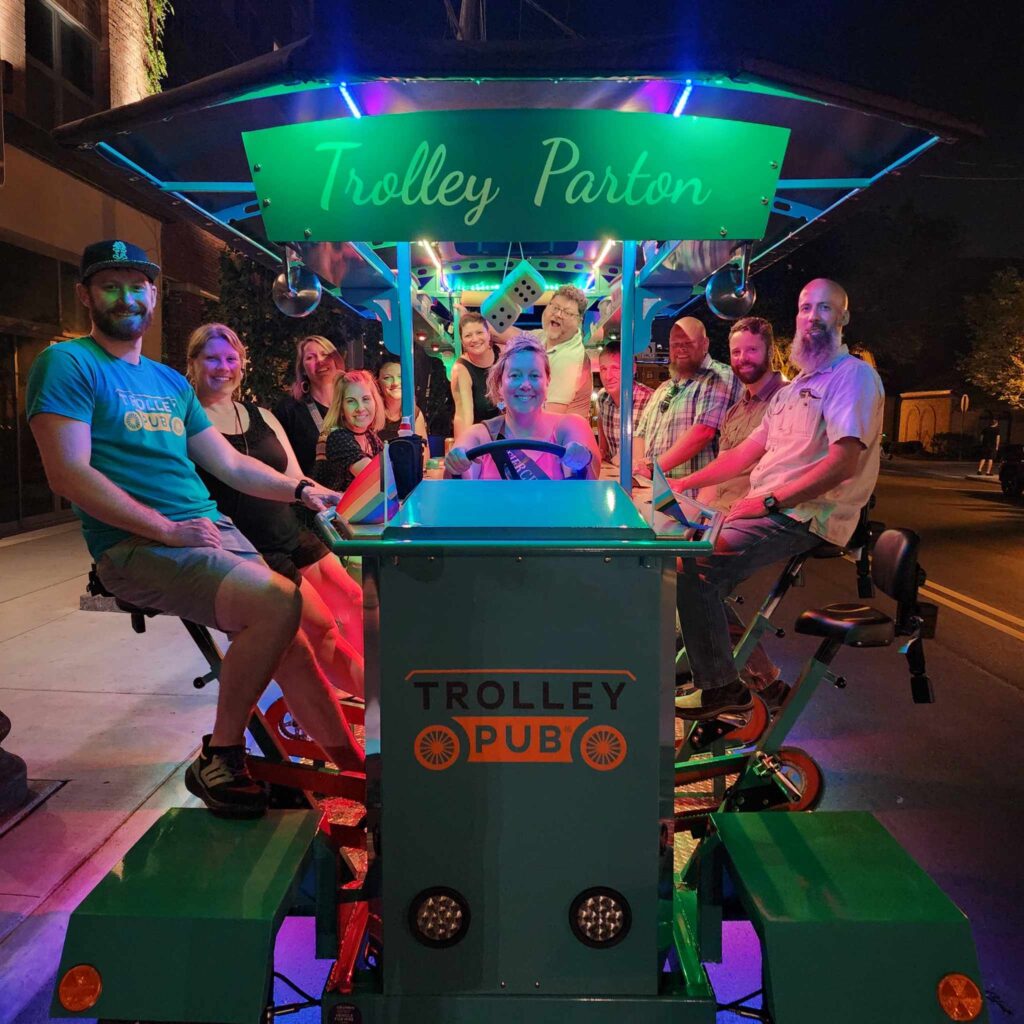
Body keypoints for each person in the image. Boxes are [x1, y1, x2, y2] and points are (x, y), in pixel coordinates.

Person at [26, 240, 363, 820]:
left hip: (210, 531)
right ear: (85, 295)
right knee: (279, 604)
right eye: (110, 285)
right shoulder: (68, 364)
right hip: (135, 545)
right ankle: (221, 755)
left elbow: (230, 465)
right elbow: (68, 473)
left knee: (295, 639)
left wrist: (302, 489)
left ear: (152, 295)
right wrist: (166, 528)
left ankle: (356, 771)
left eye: (137, 286)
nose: (126, 297)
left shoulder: (167, 382)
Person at [671, 278, 884, 720]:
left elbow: (843, 463)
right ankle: (720, 671)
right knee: (686, 560)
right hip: (773, 507)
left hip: (805, 514)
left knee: (698, 564)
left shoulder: (853, 377)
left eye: (824, 308)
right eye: (805, 308)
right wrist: (684, 485)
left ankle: (721, 689)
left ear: (842, 318)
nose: (812, 317)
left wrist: (769, 503)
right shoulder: (793, 390)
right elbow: (744, 453)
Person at [186, 323, 365, 686]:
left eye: (231, 358)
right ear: (193, 363)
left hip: (288, 529)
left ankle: (377, 676)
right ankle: (377, 702)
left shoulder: (261, 415)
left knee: (355, 597)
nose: (223, 367)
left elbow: (297, 476)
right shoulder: (189, 420)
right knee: (321, 627)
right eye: (212, 358)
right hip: (251, 547)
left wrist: (348, 501)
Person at [445, 334, 599, 480]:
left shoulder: (569, 427)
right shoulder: (480, 436)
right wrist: (456, 463)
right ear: (499, 384)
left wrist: (582, 458)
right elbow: (455, 488)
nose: (525, 385)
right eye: (515, 375)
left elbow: (589, 490)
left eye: (534, 376)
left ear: (547, 382)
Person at [634, 317, 742, 493]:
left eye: (688, 343)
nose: (681, 349)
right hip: (657, 495)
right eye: (675, 344)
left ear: (705, 344)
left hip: (696, 499)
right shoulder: (664, 388)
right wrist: (639, 471)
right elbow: (640, 434)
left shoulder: (720, 376)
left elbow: (703, 433)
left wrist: (652, 466)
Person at [696, 317, 787, 512]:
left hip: (750, 518)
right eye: (736, 352)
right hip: (718, 514)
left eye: (752, 350)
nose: (742, 358)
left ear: (770, 352)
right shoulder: (734, 412)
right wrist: (694, 518)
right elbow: (719, 473)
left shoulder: (788, 401)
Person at [274, 335, 346, 477]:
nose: (319, 361)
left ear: (336, 360)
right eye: (310, 357)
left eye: (325, 354)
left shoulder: (354, 402)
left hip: (359, 494)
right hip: (312, 494)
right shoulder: (289, 410)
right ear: (303, 369)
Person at [314, 370, 386, 492]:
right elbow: (376, 477)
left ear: (375, 402)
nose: (360, 408)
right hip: (323, 509)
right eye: (351, 401)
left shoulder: (370, 437)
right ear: (341, 408)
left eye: (366, 399)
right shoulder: (337, 436)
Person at [595, 340, 654, 470]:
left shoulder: (650, 399)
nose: (608, 376)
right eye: (603, 369)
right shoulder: (602, 398)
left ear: (633, 369)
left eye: (615, 368)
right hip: (614, 475)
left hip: (642, 478)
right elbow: (603, 450)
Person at [451, 312, 501, 436]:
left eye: (479, 332)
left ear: (489, 335)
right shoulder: (461, 369)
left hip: (512, 437)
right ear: (462, 341)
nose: (475, 339)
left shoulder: (503, 355)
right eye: (468, 335)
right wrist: (463, 450)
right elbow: (464, 418)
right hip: (482, 441)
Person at [376, 358, 428, 442]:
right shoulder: (371, 413)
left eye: (400, 377)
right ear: (378, 383)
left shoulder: (414, 412)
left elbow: (423, 451)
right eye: (387, 378)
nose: (395, 383)